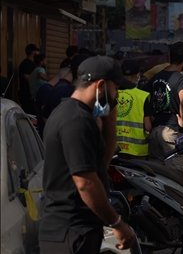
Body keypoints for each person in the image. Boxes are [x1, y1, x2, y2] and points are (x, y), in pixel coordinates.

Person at [39, 57, 137, 252]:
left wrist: (110, 122)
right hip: (70, 233)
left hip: (78, 232)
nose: (117, 95)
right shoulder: (76, 120)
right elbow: (86, 183)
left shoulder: (78, 115)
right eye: (115, 88)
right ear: (101, 85)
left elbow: (100, 166)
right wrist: (117, 223)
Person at [142, 42, 183, 170]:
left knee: (157, 175)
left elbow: (142, 95)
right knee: (177, 175)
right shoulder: (181, 79)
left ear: (169, 57)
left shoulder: (157, 77)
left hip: (156, 131)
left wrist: (149, 114)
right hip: (173, 133)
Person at [115, 60, 154, 159]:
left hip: (114, 148)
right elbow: (148, 126)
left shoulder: (111, 94)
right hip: (137, 151)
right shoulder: (142, 96)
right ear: (137, 75)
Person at [17, 43, 40, 114]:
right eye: (36, 51)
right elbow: (26, 76)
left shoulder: (32, 63)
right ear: (33, 52)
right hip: (27, 94)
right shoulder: (27, 63)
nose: (37, 53)